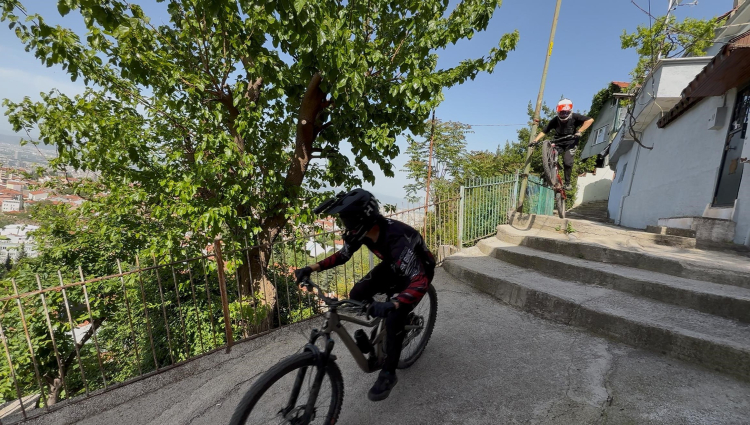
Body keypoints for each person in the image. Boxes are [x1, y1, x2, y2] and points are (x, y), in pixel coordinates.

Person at [294, 189, 435, 402]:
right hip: (393, 266)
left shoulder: (396, 238)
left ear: (363, 219)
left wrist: (394, 304)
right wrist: (310, 268)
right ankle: (379, 335)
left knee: (394, 317)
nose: (346, 227)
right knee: (357, 294)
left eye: (348, 221)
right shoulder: (362, 231)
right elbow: (343, 255)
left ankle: (388, 373)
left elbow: (420, 280)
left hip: (418, 271)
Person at [532, 98, 594, 191]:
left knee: (567, 162)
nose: (563, 115)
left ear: (570, 112)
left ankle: (567, 183)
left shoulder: (575, 117)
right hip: (559, 141)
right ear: (558, 112)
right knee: (548, 155)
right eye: (561, 113)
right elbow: (544, 131)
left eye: (566, 113)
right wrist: (535, 140)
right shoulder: (555, 120)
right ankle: (548, 174)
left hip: (571, 142)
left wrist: (579, 131)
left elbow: (590, 120)